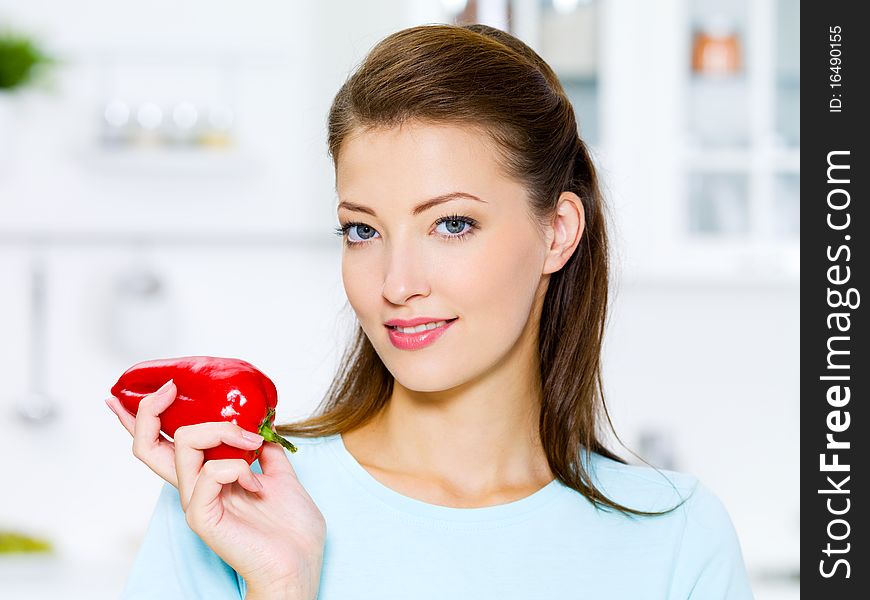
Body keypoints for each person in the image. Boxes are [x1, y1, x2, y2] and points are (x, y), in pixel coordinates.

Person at [105, 23, 755, 600]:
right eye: (363, 230)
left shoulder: (676, 537)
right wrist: (280, 586)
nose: (396, 282)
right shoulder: (234, 498)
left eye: (451, 223)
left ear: (557, 232)